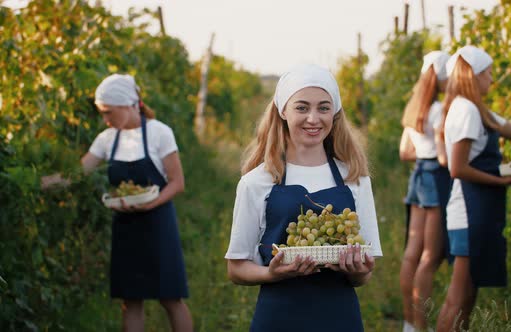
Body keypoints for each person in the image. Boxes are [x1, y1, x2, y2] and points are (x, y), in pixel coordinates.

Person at [224, 64, 383, 332]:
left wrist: (357, 270)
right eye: (301, 107)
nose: (313, 118)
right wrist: (271, 274)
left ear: (335, 113)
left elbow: (363, 276)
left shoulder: (355, 178)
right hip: (279, 316)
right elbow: (236, 269)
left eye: (323, 108)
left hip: (339, 317)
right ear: (283, 111)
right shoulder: (256, 182)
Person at [42, 74, 193, 332]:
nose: (105, 119)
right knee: (130, 299)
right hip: (125, 227)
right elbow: (77, 173)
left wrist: (149, 203)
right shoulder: (107, 138)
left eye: (108, 112)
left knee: (170, 297)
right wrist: (40, 182)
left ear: (127, 105)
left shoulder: (159, 133)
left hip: (158, 225)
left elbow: (177, 183)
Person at [435, 46, 511, 332]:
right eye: (488, 73)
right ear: (473, 75)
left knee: (467, 298)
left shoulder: (475, 109)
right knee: (457, 298)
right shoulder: (466, 111)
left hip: (477, 211)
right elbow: (458, 168)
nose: (492, 79)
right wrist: (503, 181)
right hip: (468, 213)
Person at [398, 51, 452, 332]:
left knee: (412, 254)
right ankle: (422, 327)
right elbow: (446, 155)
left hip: (418, 175)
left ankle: (409, 323)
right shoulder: (441, 109)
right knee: (430, 257)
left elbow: (404, 151)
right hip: (437, 178)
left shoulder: (414, 107)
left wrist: (424, 149)